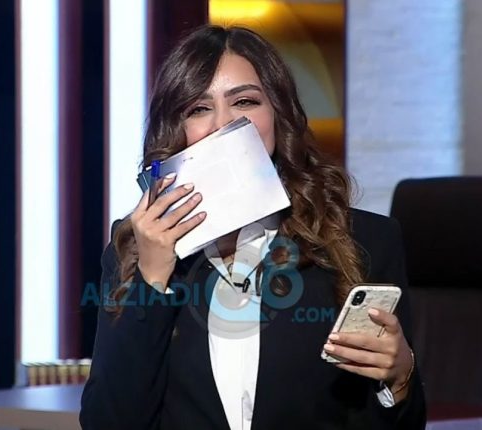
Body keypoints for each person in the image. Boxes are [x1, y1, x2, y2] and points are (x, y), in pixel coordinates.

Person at [80, 25, 426, 430]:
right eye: (199, 108)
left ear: (278, 115)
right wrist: (152, 278)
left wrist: (400, 378)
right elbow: (110, 421)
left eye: (244, 101)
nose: (223, 124)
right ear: (177, 129)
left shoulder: (364, 241)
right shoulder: (132, 247)